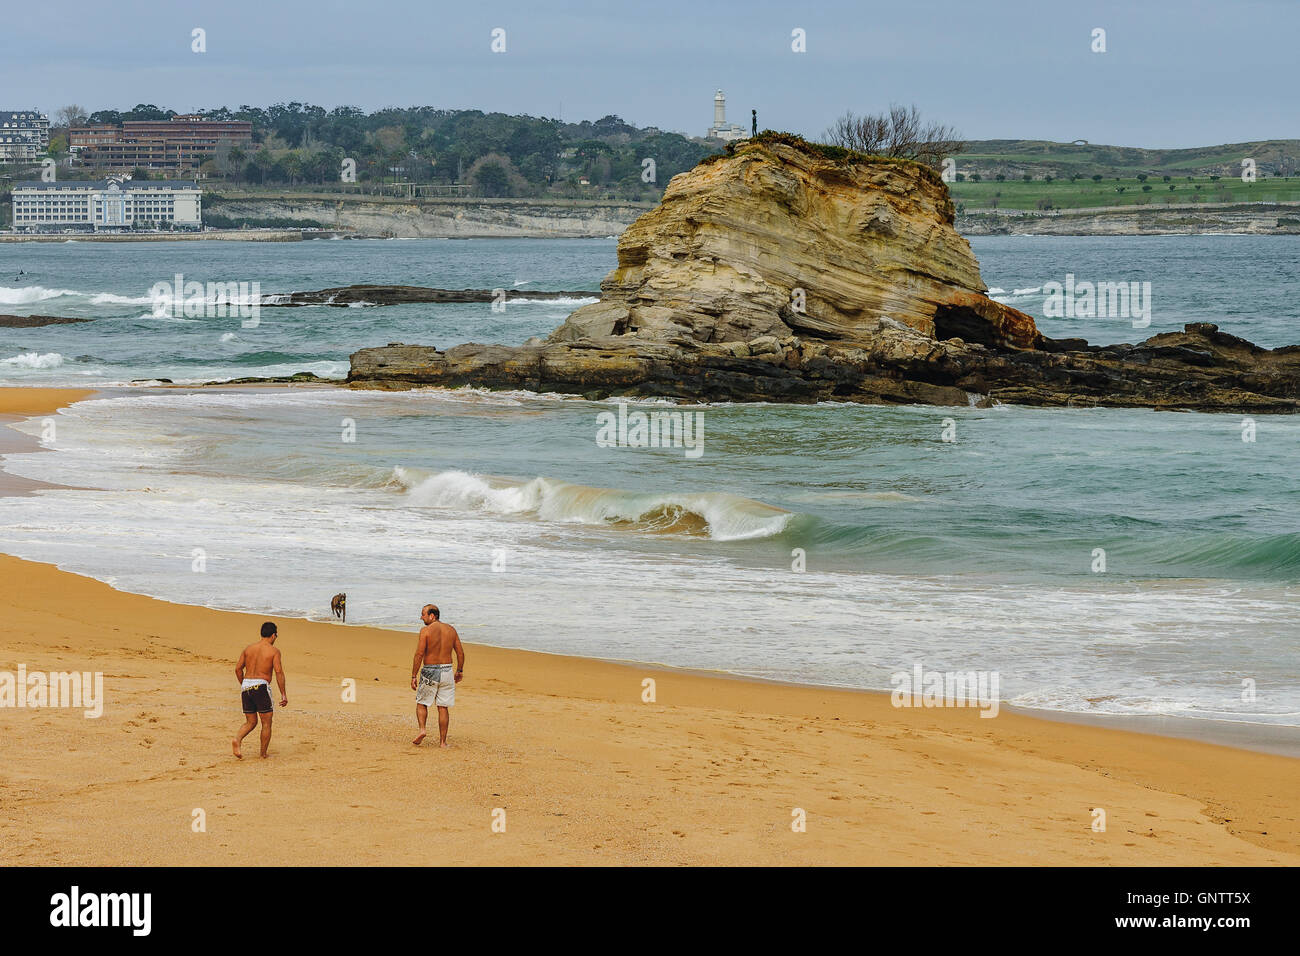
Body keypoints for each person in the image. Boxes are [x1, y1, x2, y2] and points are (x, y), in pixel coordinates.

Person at [411, 604, 464, 747]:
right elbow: (460, 653)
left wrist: (414, 675)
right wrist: (459, 671)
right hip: (447, 670)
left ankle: (422, 730)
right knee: (443, 707)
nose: (421, 617)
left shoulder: (426, 631)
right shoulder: (451, 630)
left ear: (432, 616)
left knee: (422, 702)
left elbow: (419, 654)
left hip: (430, 670)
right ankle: (443, 742)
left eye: (423, 614)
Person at [233, 621, 287, 758]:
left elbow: (238, 669)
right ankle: (263, 754)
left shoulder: (248, 649)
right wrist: (283, 694)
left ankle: (237, 740)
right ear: (274, 635)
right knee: (266, 722)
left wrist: (244, 685)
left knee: (250, 721)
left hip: (246, 685)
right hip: (261, 686)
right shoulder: (274, 651)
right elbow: (279, 672)